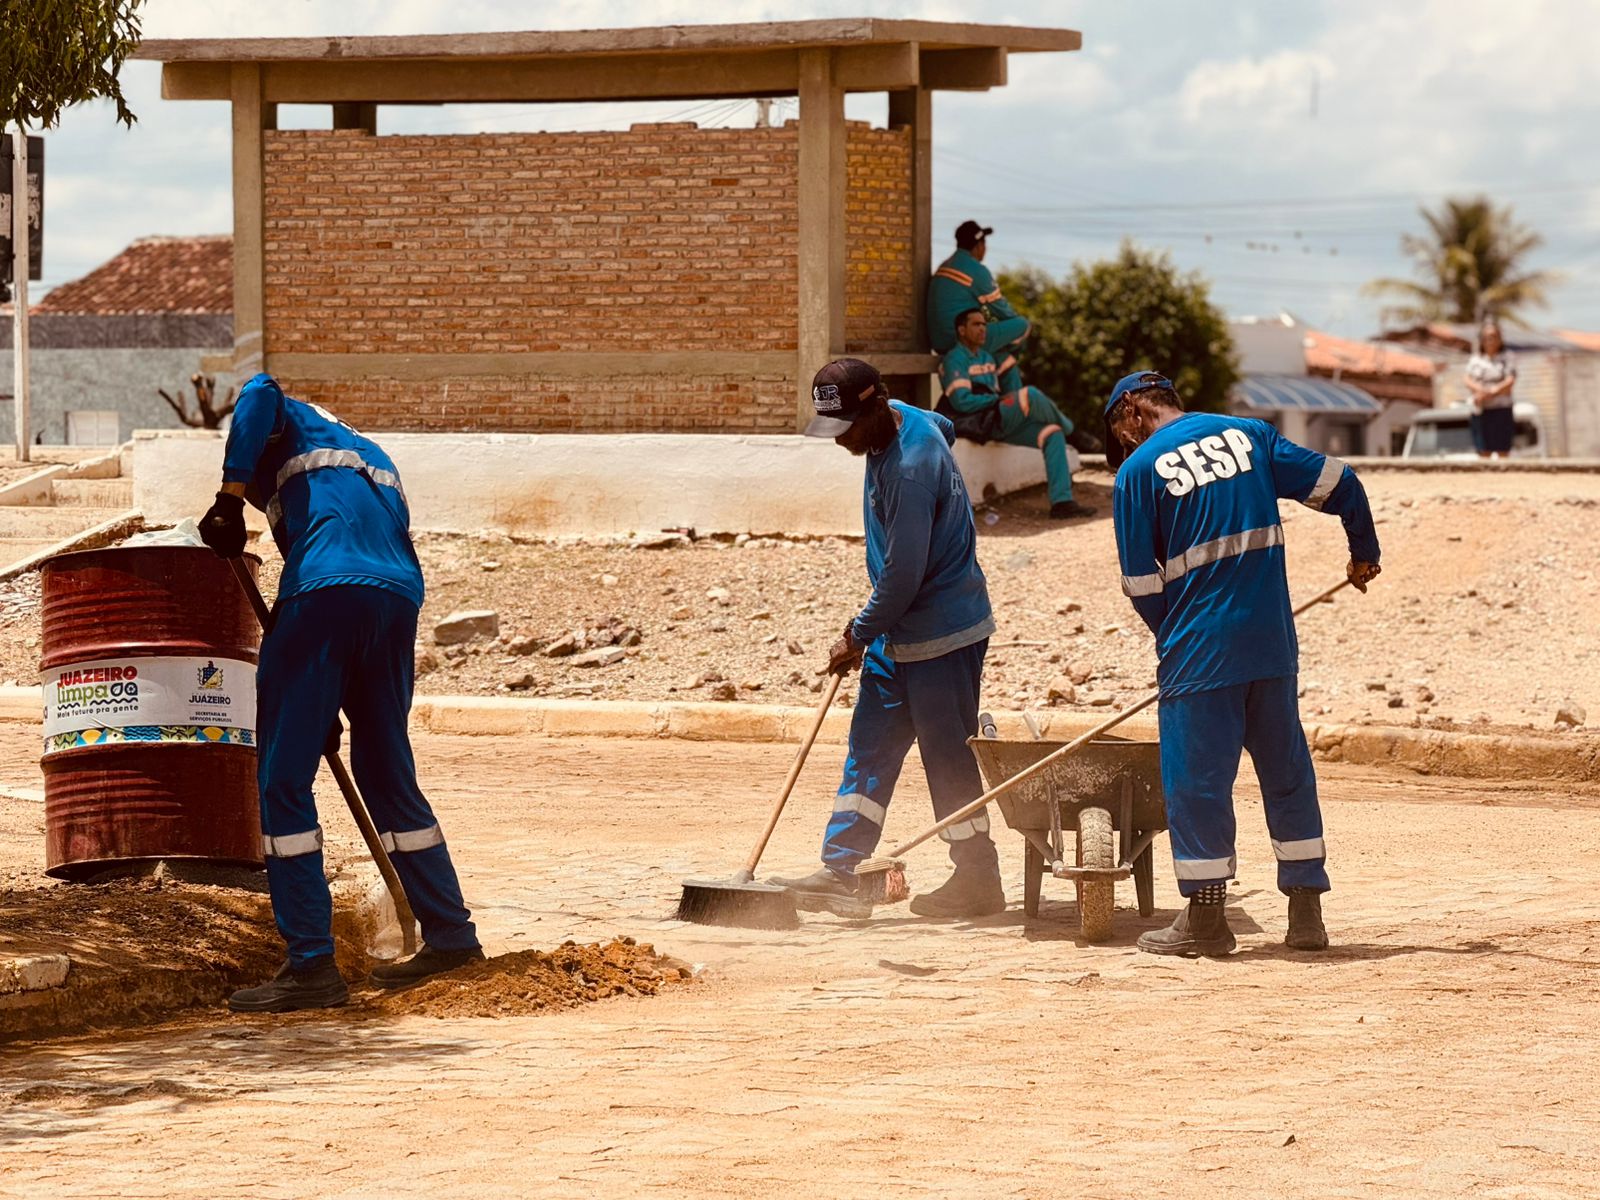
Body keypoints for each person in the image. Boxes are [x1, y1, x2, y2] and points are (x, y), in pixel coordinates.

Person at [199, 373, 484, 1011]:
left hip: (323, 591)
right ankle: (452, 937)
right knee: (385, 771)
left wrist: (228, 497)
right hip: (395, 600)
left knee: (281, 778)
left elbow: (259, 390)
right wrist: (318, 697)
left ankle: (310, 966)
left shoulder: (282, 414)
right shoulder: (370, 455)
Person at [1104, 371, 1382, 956]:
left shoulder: (1136, 473)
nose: (1124, 446)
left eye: (1120, 433)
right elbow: (1342, 482)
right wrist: (1363, 554)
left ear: (1131, 410)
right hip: (1271, 644)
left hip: (1199, 653)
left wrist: (1174, 639)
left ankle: (1207, 922)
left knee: (1198, 782)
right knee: (1286, 774)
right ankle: (1306, 915)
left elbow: (1140, 583)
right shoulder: (1250, 436)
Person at [768, 358, 1005, 919]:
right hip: (898, 632)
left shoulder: (908, 469)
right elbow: (943, 427)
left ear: (875, 407)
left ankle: (978, 880)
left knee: (947, 759)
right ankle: (844, 872)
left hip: (942, 633)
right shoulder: (911, 418)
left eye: (847, 426)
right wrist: (871, 634)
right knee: (870, 746)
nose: (840, 440)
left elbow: (904, 573)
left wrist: (856, 633)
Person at [938, 307, 1096, 520]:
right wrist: (997, 400)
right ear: (962, 330)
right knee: (1029, 395)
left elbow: (1017, 347)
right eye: (976, 324)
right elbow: (962, 402)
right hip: (977, 421)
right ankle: (1074, 433)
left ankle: (1062, 503)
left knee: (1052, 432)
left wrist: (999, 399)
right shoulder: (954, 359)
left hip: (996, 420)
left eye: (984, 324)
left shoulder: (987, 356)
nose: (983, 329)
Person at [926, 220, 1030, 378]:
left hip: (938, 341)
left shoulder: (945, 265)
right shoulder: (976, 270)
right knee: (1022, 325)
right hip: (958, 339)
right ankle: (1007, 360)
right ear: (979, 246)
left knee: (1002, 357)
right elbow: (1004, 313)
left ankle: (1002, 361)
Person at [1465, 318, 1517, 459]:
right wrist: (1481, 392)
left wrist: (1492, 392)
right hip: (1481, 410)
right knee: (1483, 450)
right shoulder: (1476, 360)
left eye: (1494, 337)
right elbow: (1467, 379)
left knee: (1502, 449)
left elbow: (1510, 380)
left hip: (1501, 410)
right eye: (1487, 337)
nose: (1490, 341)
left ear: (1500, 339)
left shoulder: (1507, 357)